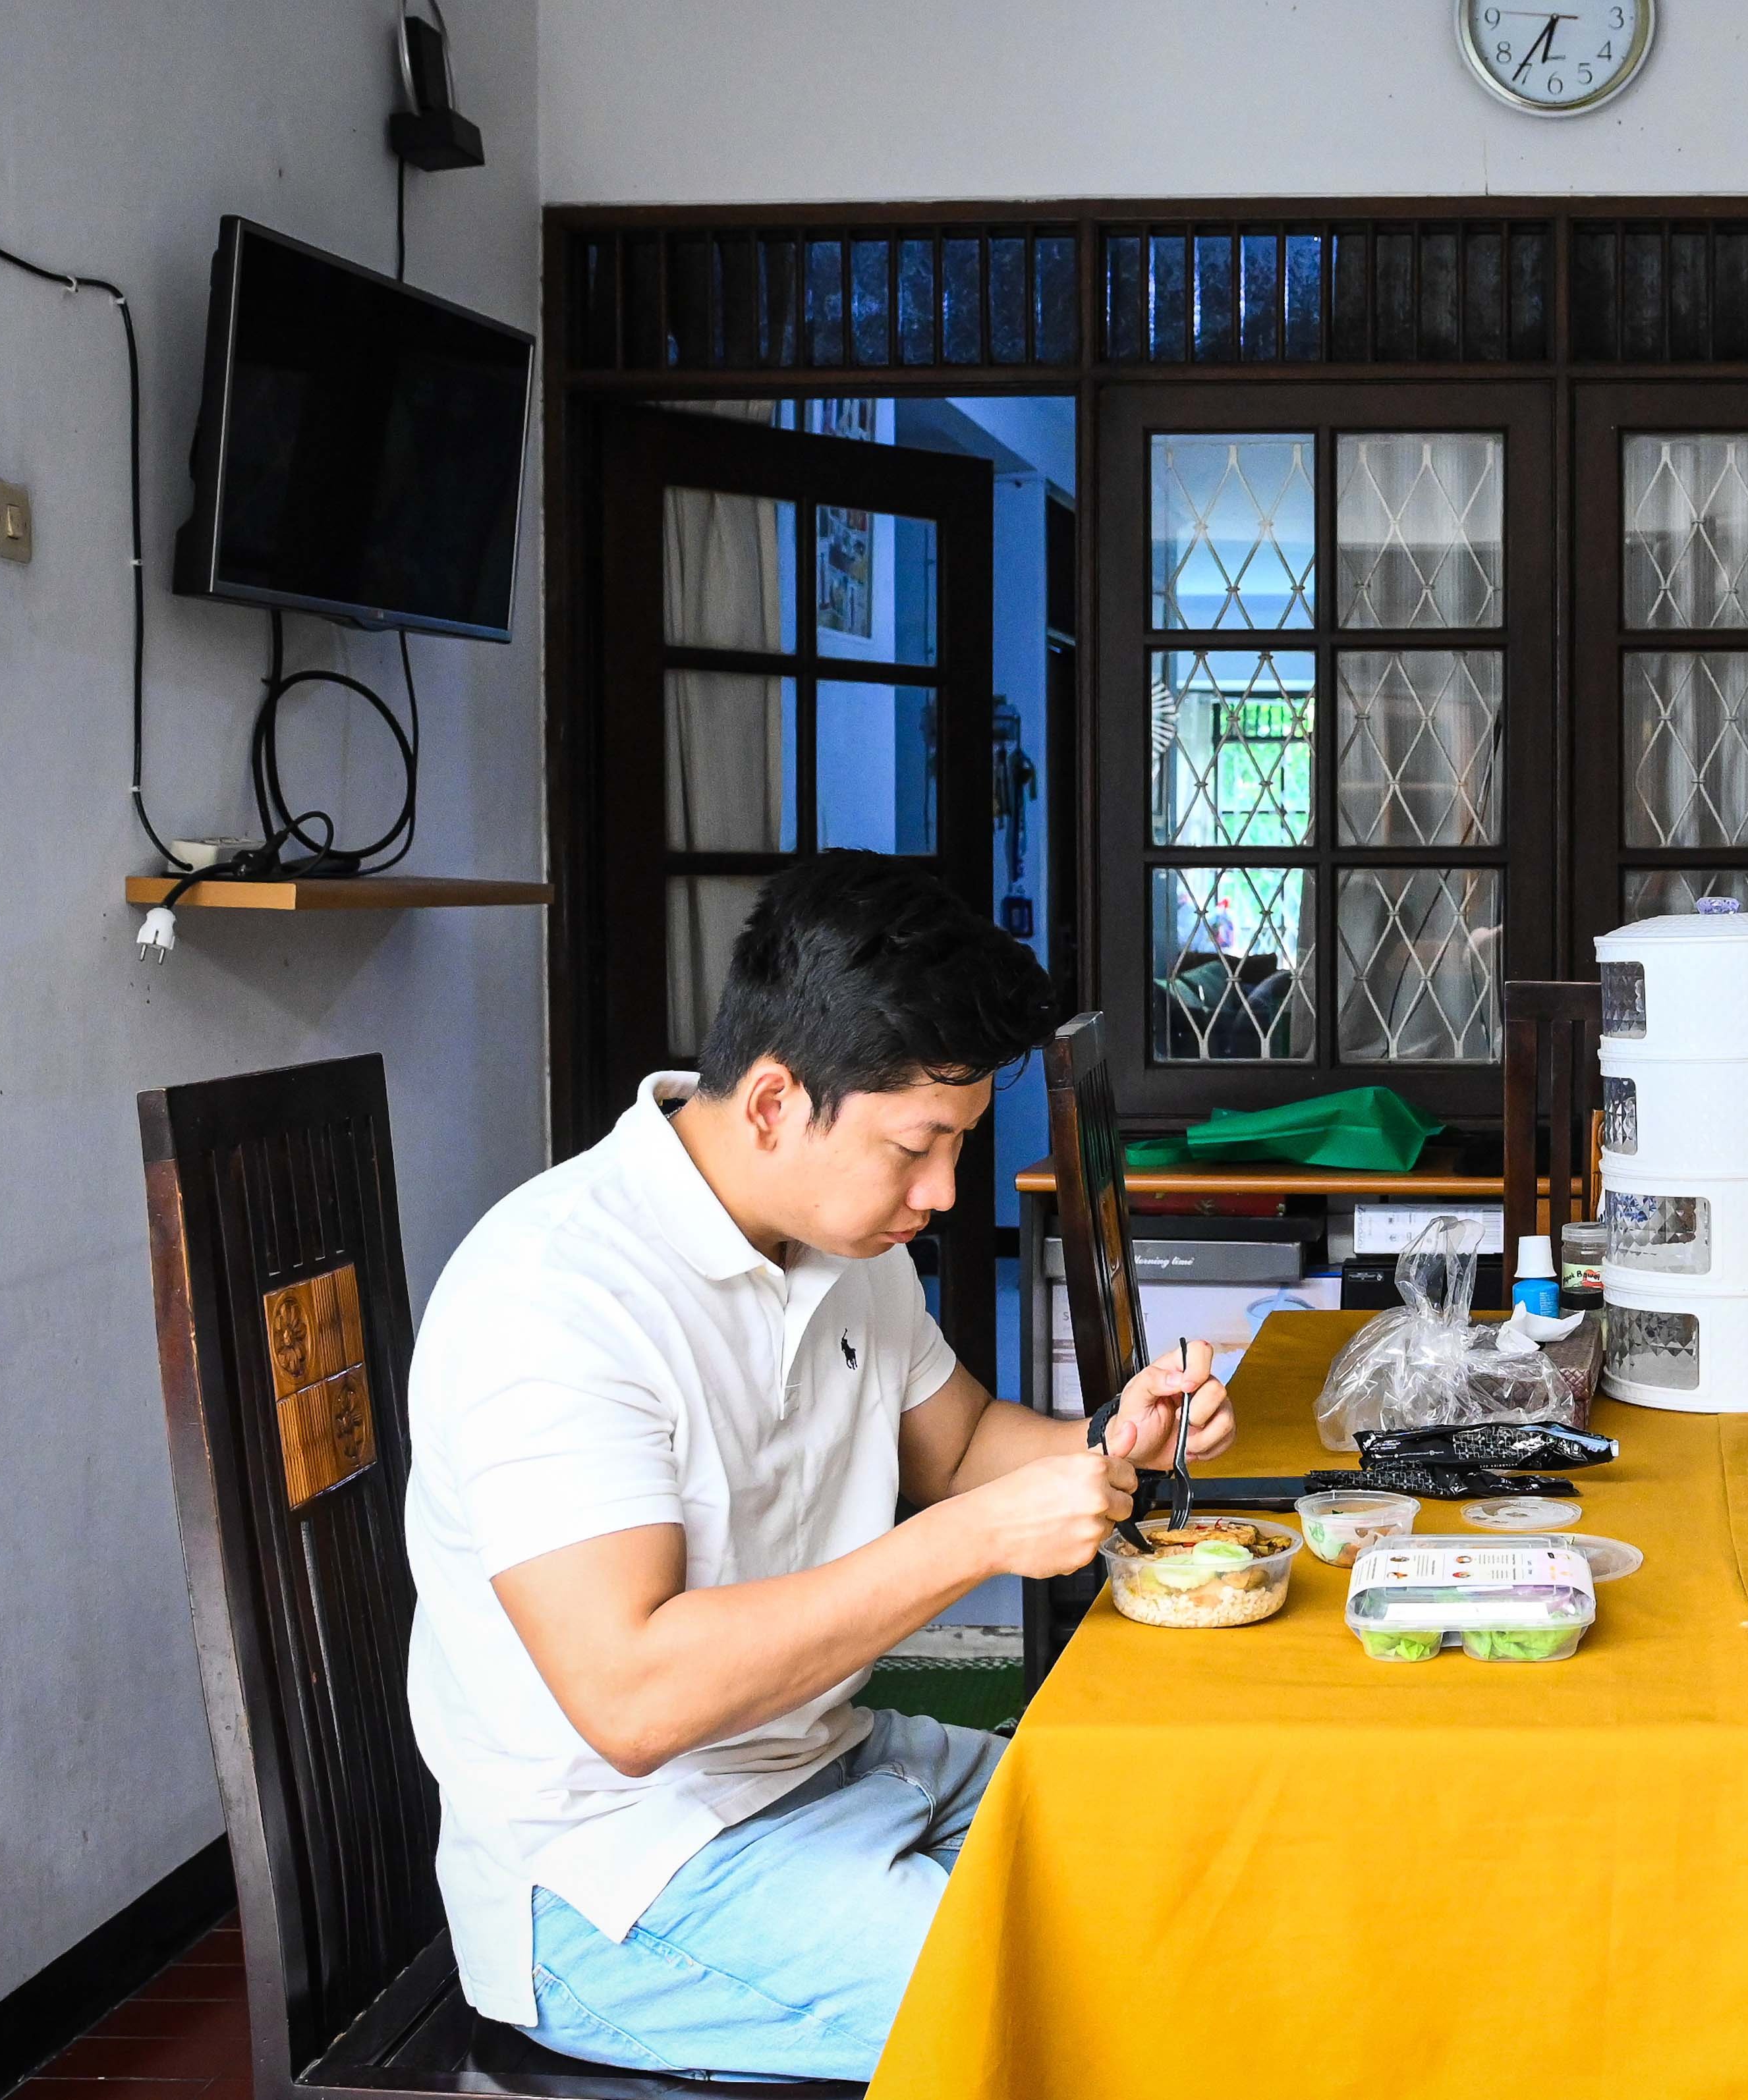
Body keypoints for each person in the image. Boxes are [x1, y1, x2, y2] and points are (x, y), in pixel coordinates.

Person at [401, 852, 1235, 2081]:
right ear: (775, 1103)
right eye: (917, 1147)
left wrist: (1110, 1440)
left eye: (956, 1144)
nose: (945, 1191)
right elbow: (634, 1701)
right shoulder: (556, 1295)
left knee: (1197, 1856)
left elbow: (952, 1447)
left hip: (828, 1762)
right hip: (623, 1880)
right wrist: (979, 1539)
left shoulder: (841, 1245)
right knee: (1116, 2005)